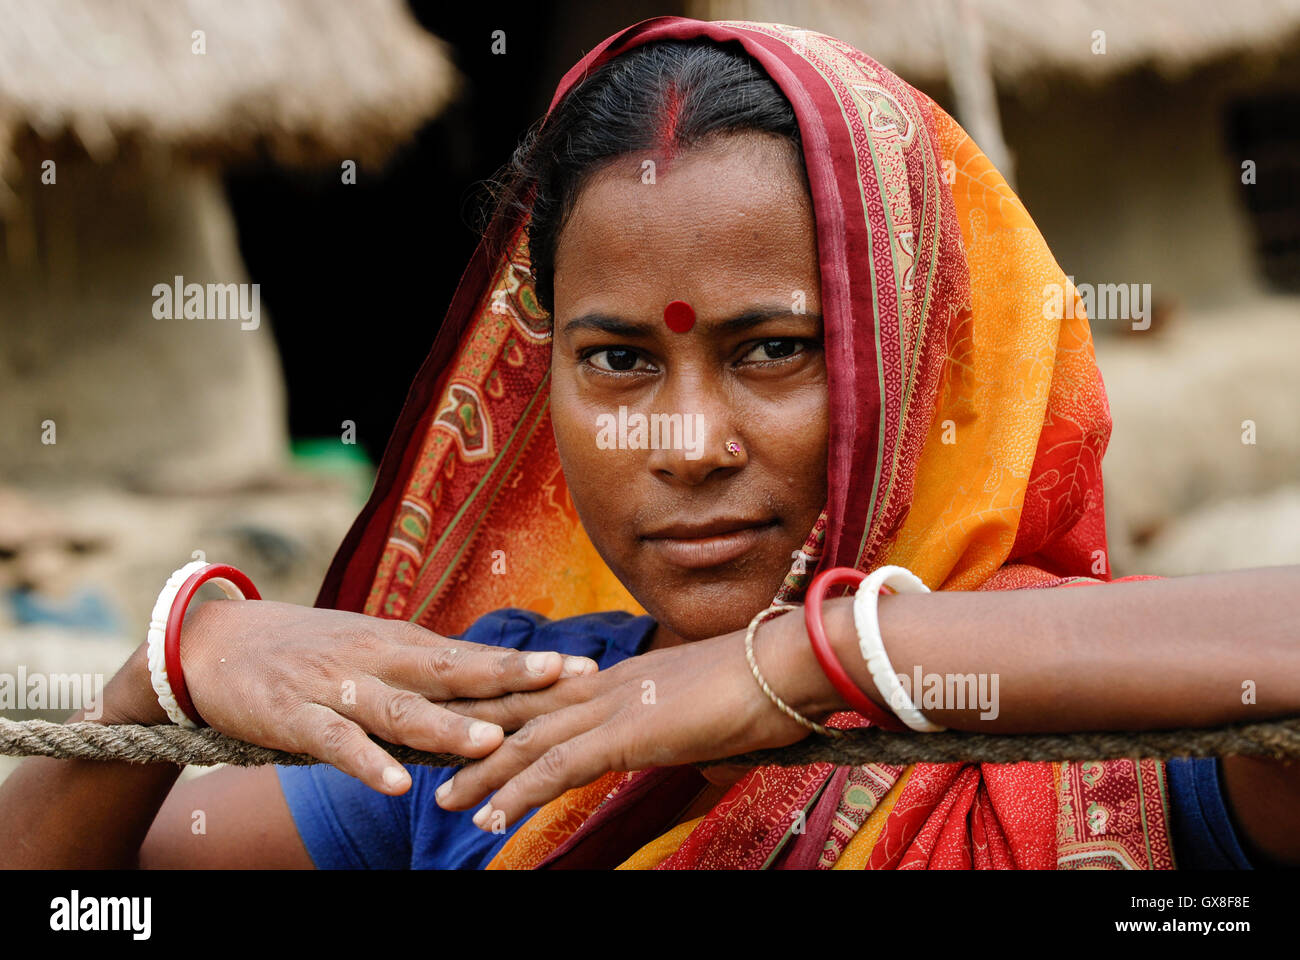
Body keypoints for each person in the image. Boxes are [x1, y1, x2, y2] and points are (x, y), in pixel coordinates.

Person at [2, 17, 1297, 870]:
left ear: (923, 358)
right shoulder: (505, 737)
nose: (684, 442)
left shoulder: (1124, 741)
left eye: (771, 350)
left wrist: (813, 660)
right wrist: (176, 664)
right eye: (619, 360)